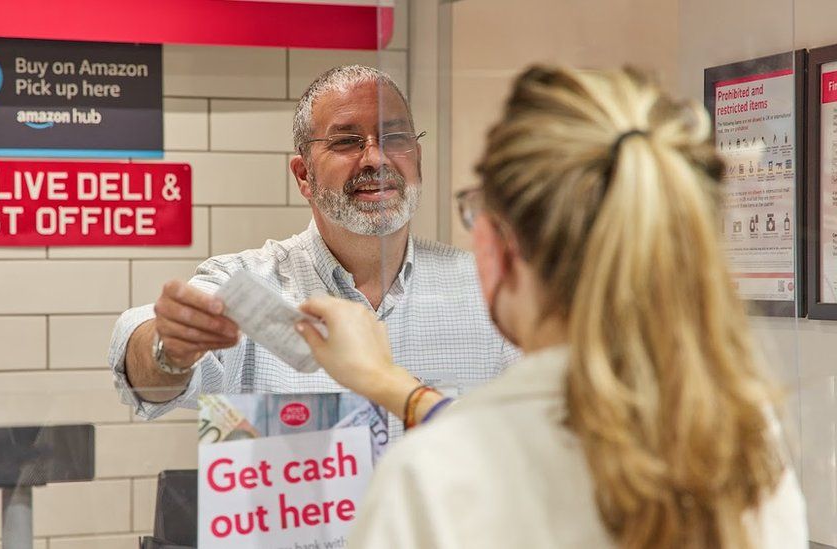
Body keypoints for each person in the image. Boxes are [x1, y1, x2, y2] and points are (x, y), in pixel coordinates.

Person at [297, 66, 807, 548]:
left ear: (499, 246)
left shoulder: (432, 476)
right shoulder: (747, 444)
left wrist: (393, 388)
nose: (375, 158)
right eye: (345, 141)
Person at [107, 65, 517, 431]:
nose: (375, 158)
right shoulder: (249, 283)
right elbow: (146, 372)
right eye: (346, 141)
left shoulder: (486, 288)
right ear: (304, 175)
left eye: (394, 137)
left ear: (418, 157)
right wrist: (169, 347)